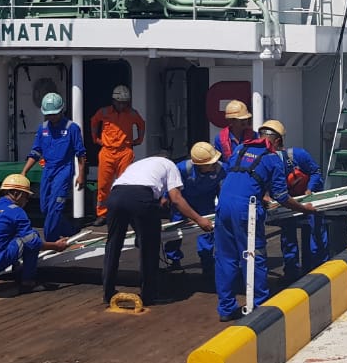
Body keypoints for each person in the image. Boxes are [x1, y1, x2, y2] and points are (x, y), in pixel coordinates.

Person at [213, 136, 314, 322]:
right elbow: (282, 197)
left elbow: (242, 177)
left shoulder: (240, 149)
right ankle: (259, 307)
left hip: (224, 204)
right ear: (276, 141)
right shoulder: (272, 159)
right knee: (253, 255)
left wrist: (262, 195)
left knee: (225, 257)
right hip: (246, 209)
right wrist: (304, 209)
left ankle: (226, 308)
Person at [102, 155, 215, 307]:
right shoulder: (171, 166)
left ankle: (108, 293)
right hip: (141, 197)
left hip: (115, 196)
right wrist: (199, 219)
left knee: (113, 245)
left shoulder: (139, 165)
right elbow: (176, 198)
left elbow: (131, 193)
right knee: (149, 247)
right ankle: (149, 295)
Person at [0, 174, 69, 296]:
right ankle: (28, 282)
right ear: (16, 194)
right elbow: (33, 243)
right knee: (31, 237)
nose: (27, 200)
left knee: (2, 237)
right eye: (26, 195)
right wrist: (56, 246)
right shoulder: (16, 211)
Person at [257, 118, 325, 280]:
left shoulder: (298, 155)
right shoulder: (265, 160)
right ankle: (291, 273)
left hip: (307, 197)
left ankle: (317, 270)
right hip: (286, 202)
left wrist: (310, 189)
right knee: (288, 237)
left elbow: (315, 172)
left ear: (278, 142)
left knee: (315, 232)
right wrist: (265, 195)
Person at [20, 92, 87, 241]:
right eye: (48, 114)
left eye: (54, 114)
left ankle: (51, 240)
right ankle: (70, 230)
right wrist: (24, 172)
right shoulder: (42, 129)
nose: (51, 117)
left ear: (61, 111)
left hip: (64, 170)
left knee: (55, 208)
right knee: (45, 208)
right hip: (48, 170)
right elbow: (36, 152)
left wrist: (81, 174)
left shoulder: (72, 128)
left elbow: (80, 153)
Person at [164, 142, 226, 273]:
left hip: (205, 202)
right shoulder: (182, 169)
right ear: (200, 165)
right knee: (175, 232)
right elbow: (171, 189)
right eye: (211, 163)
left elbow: (224, 192)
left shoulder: (222, 169)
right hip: (183, 202)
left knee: (207, 231)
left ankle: (207, 262)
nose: (215, 165)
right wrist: (164, 201)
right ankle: (173, 260)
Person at [90, 85, 144, 221]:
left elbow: (141, 124)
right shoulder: (103, 112)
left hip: (125, 152)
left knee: (125, 185)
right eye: (119, 102)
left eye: (124, 102)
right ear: (113, 101)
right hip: (107, 152)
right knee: (103, 185)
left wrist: (139, 139)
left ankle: (124, 212)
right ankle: (102, 214)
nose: (121, 105)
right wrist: (95, 138)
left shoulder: (132, 114)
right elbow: (94, 121)